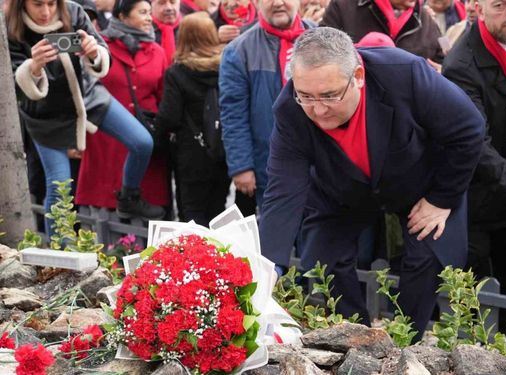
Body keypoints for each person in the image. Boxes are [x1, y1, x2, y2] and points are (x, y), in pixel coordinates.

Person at [259, 27, 485, 339]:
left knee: (426, 257)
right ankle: (356, 339)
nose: (319, 110)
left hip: (418, 181)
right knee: (322, 260)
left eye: (329, 95)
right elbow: (283, 190)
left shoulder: (404, 74)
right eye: (306, 96)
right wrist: (267, 267)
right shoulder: (289, 110)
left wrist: (441, 199)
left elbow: (469, 129)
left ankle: (406, 340)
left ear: (358, 76)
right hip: (341, 190)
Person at [7, 0, 164, 237]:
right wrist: (34, 67)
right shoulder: (9, 26)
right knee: (60, 186)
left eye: (51, 3)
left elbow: (103, 54)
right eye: (38, 4)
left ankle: (129, 196)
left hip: (88, 96)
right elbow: (13, 88)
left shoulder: (73, 10)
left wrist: (94, 52)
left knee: (143, 142)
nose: (46, 12)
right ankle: (58, 257)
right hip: (45, 113)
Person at [442, 0, 506, 313]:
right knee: (476, 282)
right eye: (499, 5)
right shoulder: (460, 65)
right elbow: (475, 141)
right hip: (473, 184)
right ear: (477, 8)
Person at [75, 0, 170, 215]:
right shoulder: (99, 48)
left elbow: (163, 95)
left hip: (145, 137)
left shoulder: (157, 51)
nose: (149, 18)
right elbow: (82, 91)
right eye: (142, 12)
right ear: (122, 16)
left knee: (144, 208)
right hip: (105, 137)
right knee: (103, 209)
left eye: (149, 12)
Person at [219, 0, 313, 212]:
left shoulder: (321, 38)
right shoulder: (239, 51)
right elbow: (233, 114)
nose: (278, 3)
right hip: (271, 167)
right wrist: (241, 166)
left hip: (320, 165)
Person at [156, 12, 230, 225]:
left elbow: (169, 116)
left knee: (191, 215)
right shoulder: (226, 68)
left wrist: (154, 135)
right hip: (222, 152)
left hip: (191, 155)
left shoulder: (178, 72)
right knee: (217, 212)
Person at [321, 0, 444, 63]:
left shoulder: (426, 19)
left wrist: (441, 72)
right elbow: (321, 51)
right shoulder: (343, 7)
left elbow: (442, 57)